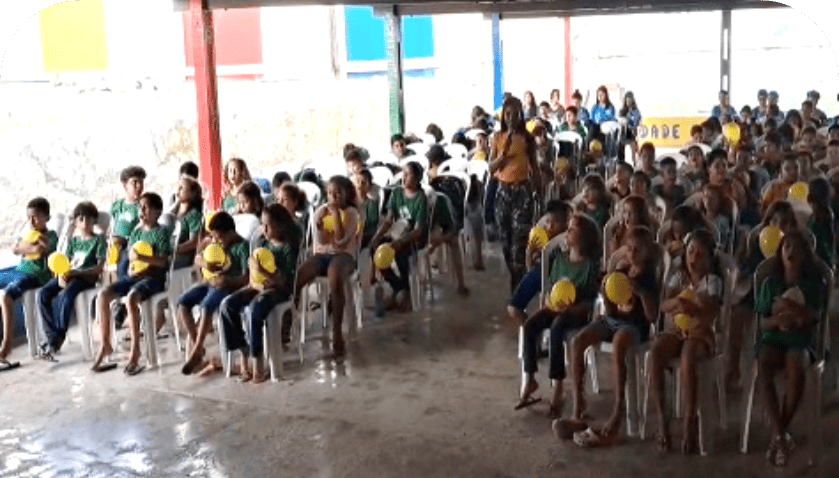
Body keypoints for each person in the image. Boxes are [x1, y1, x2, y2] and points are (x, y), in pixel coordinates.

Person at [558, 226, 659, 447]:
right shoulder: (621, 271)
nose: (631, 253)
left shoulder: (649, 277)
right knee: (578, 341)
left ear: (648, 253)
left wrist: (640, 293)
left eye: (637, 249)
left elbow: (652, 317)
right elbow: (611, 312)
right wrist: (606, 290)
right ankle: (578, 409)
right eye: (629, 248)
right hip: (612, 322)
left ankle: (618, 411)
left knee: (619, 343)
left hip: (635, 328)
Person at [516, 214, 601, 418]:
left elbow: (589, 301)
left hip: (576, 313)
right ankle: (530, 378)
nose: (567, 233)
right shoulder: (560, 259)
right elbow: (551, 289)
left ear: (584, 238)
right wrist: (547, 302)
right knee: (530, 325)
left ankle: (558, 387)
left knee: (556, 328)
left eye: (572, 230)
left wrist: (570, 309)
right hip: (556, 308)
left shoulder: (589, 266)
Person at [649, 229, 722, 454]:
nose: (694, 258)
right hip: (676, 330)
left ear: (709, 259)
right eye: (690, 252)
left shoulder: (713, 280)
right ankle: (663, 420)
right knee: (656, 353)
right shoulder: (678, 276)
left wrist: (691, 304)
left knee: (687, 356)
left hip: (700, 332)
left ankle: (690, 421)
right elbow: (664, 305)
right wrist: (681, 301)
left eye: (700, 254)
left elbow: (709, 310)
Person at [755, 230, 824, 467]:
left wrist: (789, 306)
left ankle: (779, 432)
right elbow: (763, 321)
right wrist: (778, 321)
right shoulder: (771, 283)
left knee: (797, 370)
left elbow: (813, 316)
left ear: (806, 254)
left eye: (797, 248)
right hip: (773, 338)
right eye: (787, 247)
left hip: (800, 340)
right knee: (763, 364)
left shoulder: (813, 285)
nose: (791, 252)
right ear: (780, 253)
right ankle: (781, 436)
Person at [92, 193, 172, 375]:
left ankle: (136, 350)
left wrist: (144, 260)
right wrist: (129, 270)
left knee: (131, 298)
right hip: (133, 276)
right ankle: (105, 345)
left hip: (153, 279)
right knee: (103, 295)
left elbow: (163, 263)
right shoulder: (136, 232)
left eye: (146, 208)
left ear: (158, 212)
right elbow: (129, 257)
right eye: (140, 207)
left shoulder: (161, 233)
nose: (142, 211)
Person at [220, 204, 299, 383]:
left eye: (267, 225)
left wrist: (263, 271)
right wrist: (252, 278)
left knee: (255, 309)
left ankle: (258, 362)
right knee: (227, 305)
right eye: (262, 225)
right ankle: (244, 351)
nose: (263, 229)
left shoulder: (286, 248)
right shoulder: (262, 243)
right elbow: (251, 276)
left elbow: (283, 282)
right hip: (256, 286)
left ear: (281, 226)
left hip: (278, 291)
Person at [179, 211, 250, 375]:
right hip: (211, 283)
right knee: (184, 302)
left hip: (229, 287)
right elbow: (197, 257)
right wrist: (206, 264)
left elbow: (246, 279)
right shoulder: (216, 245)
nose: (216, 241)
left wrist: (227, 281)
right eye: (214, 237)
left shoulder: (242, 247)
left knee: (206, 307)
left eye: (219, 237)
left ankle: (196, 349)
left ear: (230, 232)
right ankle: (199, 346)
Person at [295, 176, 360, 355]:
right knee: (300, 274)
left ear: (347, 193)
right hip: (324, 254)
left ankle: (337, 332)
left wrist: (337, 217)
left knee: (335, 276)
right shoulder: (321, 211)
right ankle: (288, 323)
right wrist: (320, 223)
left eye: (338, 193)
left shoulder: (352, 214)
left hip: (344, 255)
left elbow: (340, 242)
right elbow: (321, 242)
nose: (334, 197)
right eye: (330, 193)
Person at [36, 201, 106, 361]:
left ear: (94, 220)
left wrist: (74, 274)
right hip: (69, 275)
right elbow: (63, 263)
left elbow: (98, 268)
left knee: (66, 295)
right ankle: (51, 337)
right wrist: (61, 275)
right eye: (81, 219)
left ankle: (57, 340)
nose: (86, 222)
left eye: (89, 219)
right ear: (75, 223)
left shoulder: (99, 240)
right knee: (43, 294)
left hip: (85, 279)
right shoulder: (73, 242)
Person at [490, 96, 542, 291]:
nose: (511, 118)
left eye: (516, 114)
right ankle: (514, 275)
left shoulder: (527, 139)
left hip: (522, 191)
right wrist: (503, 154)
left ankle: (518, 285)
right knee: (505, 240)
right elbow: (491, 168)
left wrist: (539, 193)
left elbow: (535, 167)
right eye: (508, 114)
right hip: (503, 192)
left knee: (519, 242)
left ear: (521, 115)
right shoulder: (497, 138)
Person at [0, 198, 58, 369]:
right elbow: (14, 249)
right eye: (29, 217)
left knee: (5, 296)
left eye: (36, 217)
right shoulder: (29, 235)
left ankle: (6, 347)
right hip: (20, 270)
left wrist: (26, 247)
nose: (32, 221)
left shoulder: (51, 235)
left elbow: (38, 250)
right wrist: (25, 247)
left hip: (36, 274)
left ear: (47, 217)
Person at [370, 163, 427, 313]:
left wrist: (400, 242)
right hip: (397, 233)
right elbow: (389, 220)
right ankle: (399, 286)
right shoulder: (396, 193)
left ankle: (406, 290)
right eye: (403, 174)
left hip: (413, 239)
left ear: (417, 179)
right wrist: (377, 236)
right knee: (377, 250)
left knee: (401, 252)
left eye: (409, 175)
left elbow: (419, 230)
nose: (404, 177)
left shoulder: (420, 198)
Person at [507, 200, 571, 325]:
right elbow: (530, 269)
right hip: (540, 272)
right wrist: (529, 252)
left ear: (566, 224)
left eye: (556, 222)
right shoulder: (543, 242)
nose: (550, 227)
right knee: (513, 308)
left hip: (560, 280)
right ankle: (528, 328)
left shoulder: (568, 242)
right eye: (548, 222)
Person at [110, 166, 145, 277]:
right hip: (115, 242)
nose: (138, 186)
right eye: (134, 182)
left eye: (141, 182)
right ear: (125, 186)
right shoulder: (117, 205)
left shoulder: (143, 206)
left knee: (125, 257)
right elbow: (111, 226)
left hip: (132, 242)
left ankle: (123, 283)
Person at [806, 177, 835, 267]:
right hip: (824, 261)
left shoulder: (818, 218)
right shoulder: (827, 212)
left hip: (818, 261)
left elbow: (825, 243)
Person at [353, 169, 380, 249]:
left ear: (369, 185)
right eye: (357, 181)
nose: (360, 185)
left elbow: (371, 227)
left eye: (364, 183)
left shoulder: (371, 203)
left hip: (363, 236)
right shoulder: (350, 201)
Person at [619, 91, 642, 162]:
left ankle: (634, 161)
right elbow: (619, 121)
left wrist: (631, 125)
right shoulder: (622, 111)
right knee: (619, 145)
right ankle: (621, 161)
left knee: (634, 145)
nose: (628, 102)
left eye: (630, 100)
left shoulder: (636, 111)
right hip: (623, 134)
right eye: (627, 100)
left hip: (631, 134)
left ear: (632, 100)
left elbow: (637, 122)